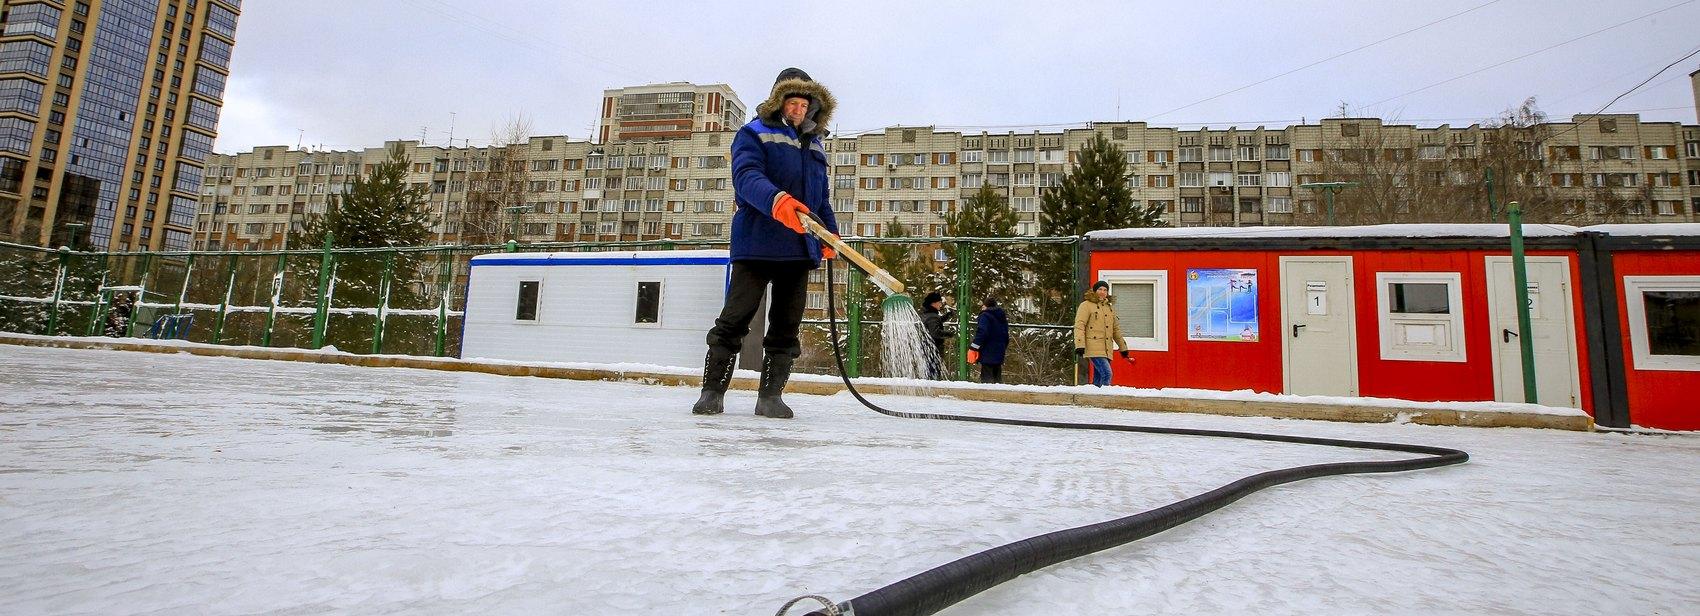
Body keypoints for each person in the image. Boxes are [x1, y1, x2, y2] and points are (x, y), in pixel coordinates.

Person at [691, 68, 840, 419]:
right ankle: (712, 391)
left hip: (798, 248)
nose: (799, 109)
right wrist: (777, 201)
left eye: (805, 104)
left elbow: (821, 200)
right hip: (757, 243)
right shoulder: (753, 133)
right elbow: (746, 177)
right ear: (779, 101)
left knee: (786, 325)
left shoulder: (814, 144)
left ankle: (770, 396)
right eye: (793, 102)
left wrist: (829, 234)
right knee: (735, 319)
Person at [1074, 280, 1129, 387]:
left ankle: (1095, 398)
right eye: (1100, 289)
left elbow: (1115, 330)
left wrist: (1123, 347)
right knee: (1107, 373)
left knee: (1099, 377)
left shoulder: (1109, 308)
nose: (1102, 292)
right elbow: (1079, 326)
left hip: (1107, 348)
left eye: (1105, 290)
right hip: (1093, 346)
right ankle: (1104, 397)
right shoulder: (1086, 305)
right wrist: (1080, 345)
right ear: (1094, 291)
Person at [968, 297, 1009, 384]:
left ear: (985, 306)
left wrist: (974, 347)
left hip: (988, 350)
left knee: (987, 379)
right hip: (999, 350)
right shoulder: (1001, 316)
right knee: (997, 378)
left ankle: (988, 396)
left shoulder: (985, 316)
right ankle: (999, 396)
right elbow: (1006, 334)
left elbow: (982, 332)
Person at [920, 291, 955, 380]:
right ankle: (933, 390)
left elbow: (935, 322)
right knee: (934, 373)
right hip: (933, 349)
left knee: (929, 372)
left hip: (926, 348)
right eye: (939, 302)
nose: (941, 304)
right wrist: (949, 334)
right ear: (934, 303)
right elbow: (935, 332)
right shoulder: (932, 316)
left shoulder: (927, 314)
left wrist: (947, 316)